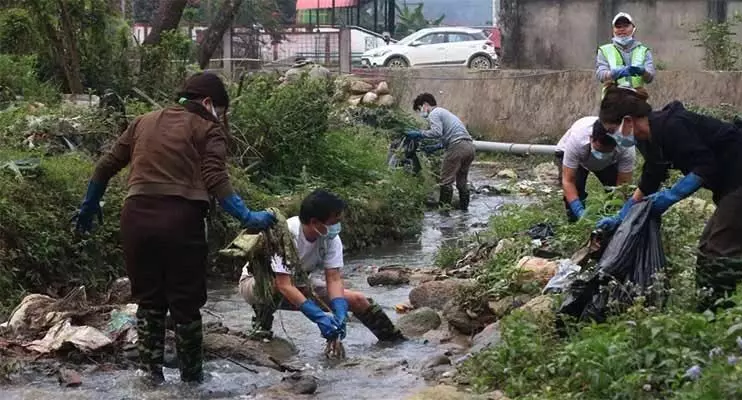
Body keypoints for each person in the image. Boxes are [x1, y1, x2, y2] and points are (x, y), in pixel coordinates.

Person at [73, 72, 276, 384]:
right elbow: (215, 178)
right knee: (185, 304)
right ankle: (192, 382)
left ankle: (149, 377)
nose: (220, 117)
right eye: (220, 111)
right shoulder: (209, 129)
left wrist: (88, 207)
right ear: (208, 103)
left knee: (149, 302)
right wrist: (247, 216)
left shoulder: (143, 121)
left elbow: (105, 166)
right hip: (181, 221)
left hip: (136, 219)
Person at [595, 85, 742, 312]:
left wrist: (671, 196)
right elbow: (650, 178)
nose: (612, 136)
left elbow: (704, 166)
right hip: (734, 181)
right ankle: (709, 306)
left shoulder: (672, 126)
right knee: (708, 246)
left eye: (612, 129)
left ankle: (725, 313)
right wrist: (622, 214)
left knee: (719, 249)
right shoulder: (648, 139)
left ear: (628, 121)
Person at [238, 189, 405, 343]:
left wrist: (339, 308)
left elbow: (333, 278)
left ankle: (394, 341)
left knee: (358, 300)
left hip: (299, 284)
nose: (337, 226)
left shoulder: (330, 238)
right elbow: (284, 285)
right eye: (334, 221)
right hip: (256, 283)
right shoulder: (284, 234)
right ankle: (262, 322)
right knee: (276, 286)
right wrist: (318, 316)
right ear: (314, 222)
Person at [554, 116, 636, 222]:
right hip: (575, 155)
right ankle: (576, 222)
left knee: (613, 189)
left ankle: (611, 219)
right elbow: (568, 181)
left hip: (609, 162)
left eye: (606, 152)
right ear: (591, 138)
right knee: (577, 187)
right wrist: (578, 210)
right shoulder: (577, 140)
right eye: (599, 150)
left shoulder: (626, 148)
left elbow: (623, 185)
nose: (601, 155)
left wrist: (617, 215)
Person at [406, 93, 475, 211]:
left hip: (457, 147)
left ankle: (444, 215)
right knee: (462, 182)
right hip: (469, 147)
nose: (421, 113)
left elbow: (437, 132)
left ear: (425, 105)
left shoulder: (434, 113)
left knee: (446, 181)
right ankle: (464, 212)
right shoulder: (445, 113)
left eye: (419, 109)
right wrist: (436, 146)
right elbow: (449, 133)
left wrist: (419, 133)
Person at [596, 12, 655, 93]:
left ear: (633, 28)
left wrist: (643, 72)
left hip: (638, 99)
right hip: (612, 99)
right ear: (613, 30)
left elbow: (649, 79)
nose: (622, 29)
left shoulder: (644, 51)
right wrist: (614, 73)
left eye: (626, 26)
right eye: (618, 27)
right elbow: (601, 76)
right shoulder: (604, 50)